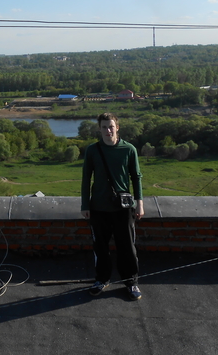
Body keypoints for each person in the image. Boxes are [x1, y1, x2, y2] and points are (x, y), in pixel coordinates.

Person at [81, 112, 144, 300]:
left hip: (123, 208)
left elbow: (136, 177)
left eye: (111, 126)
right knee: (100, 247)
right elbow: (86, 179)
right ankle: (102, 279)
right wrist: (85, 205)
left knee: (127, 247)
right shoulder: (93, 150)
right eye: (104, 127)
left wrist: (139, 203)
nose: (108, 130)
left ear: (117, 127)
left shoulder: (129, 149)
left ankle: (131, 282)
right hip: (98, 207)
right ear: (99, 129)